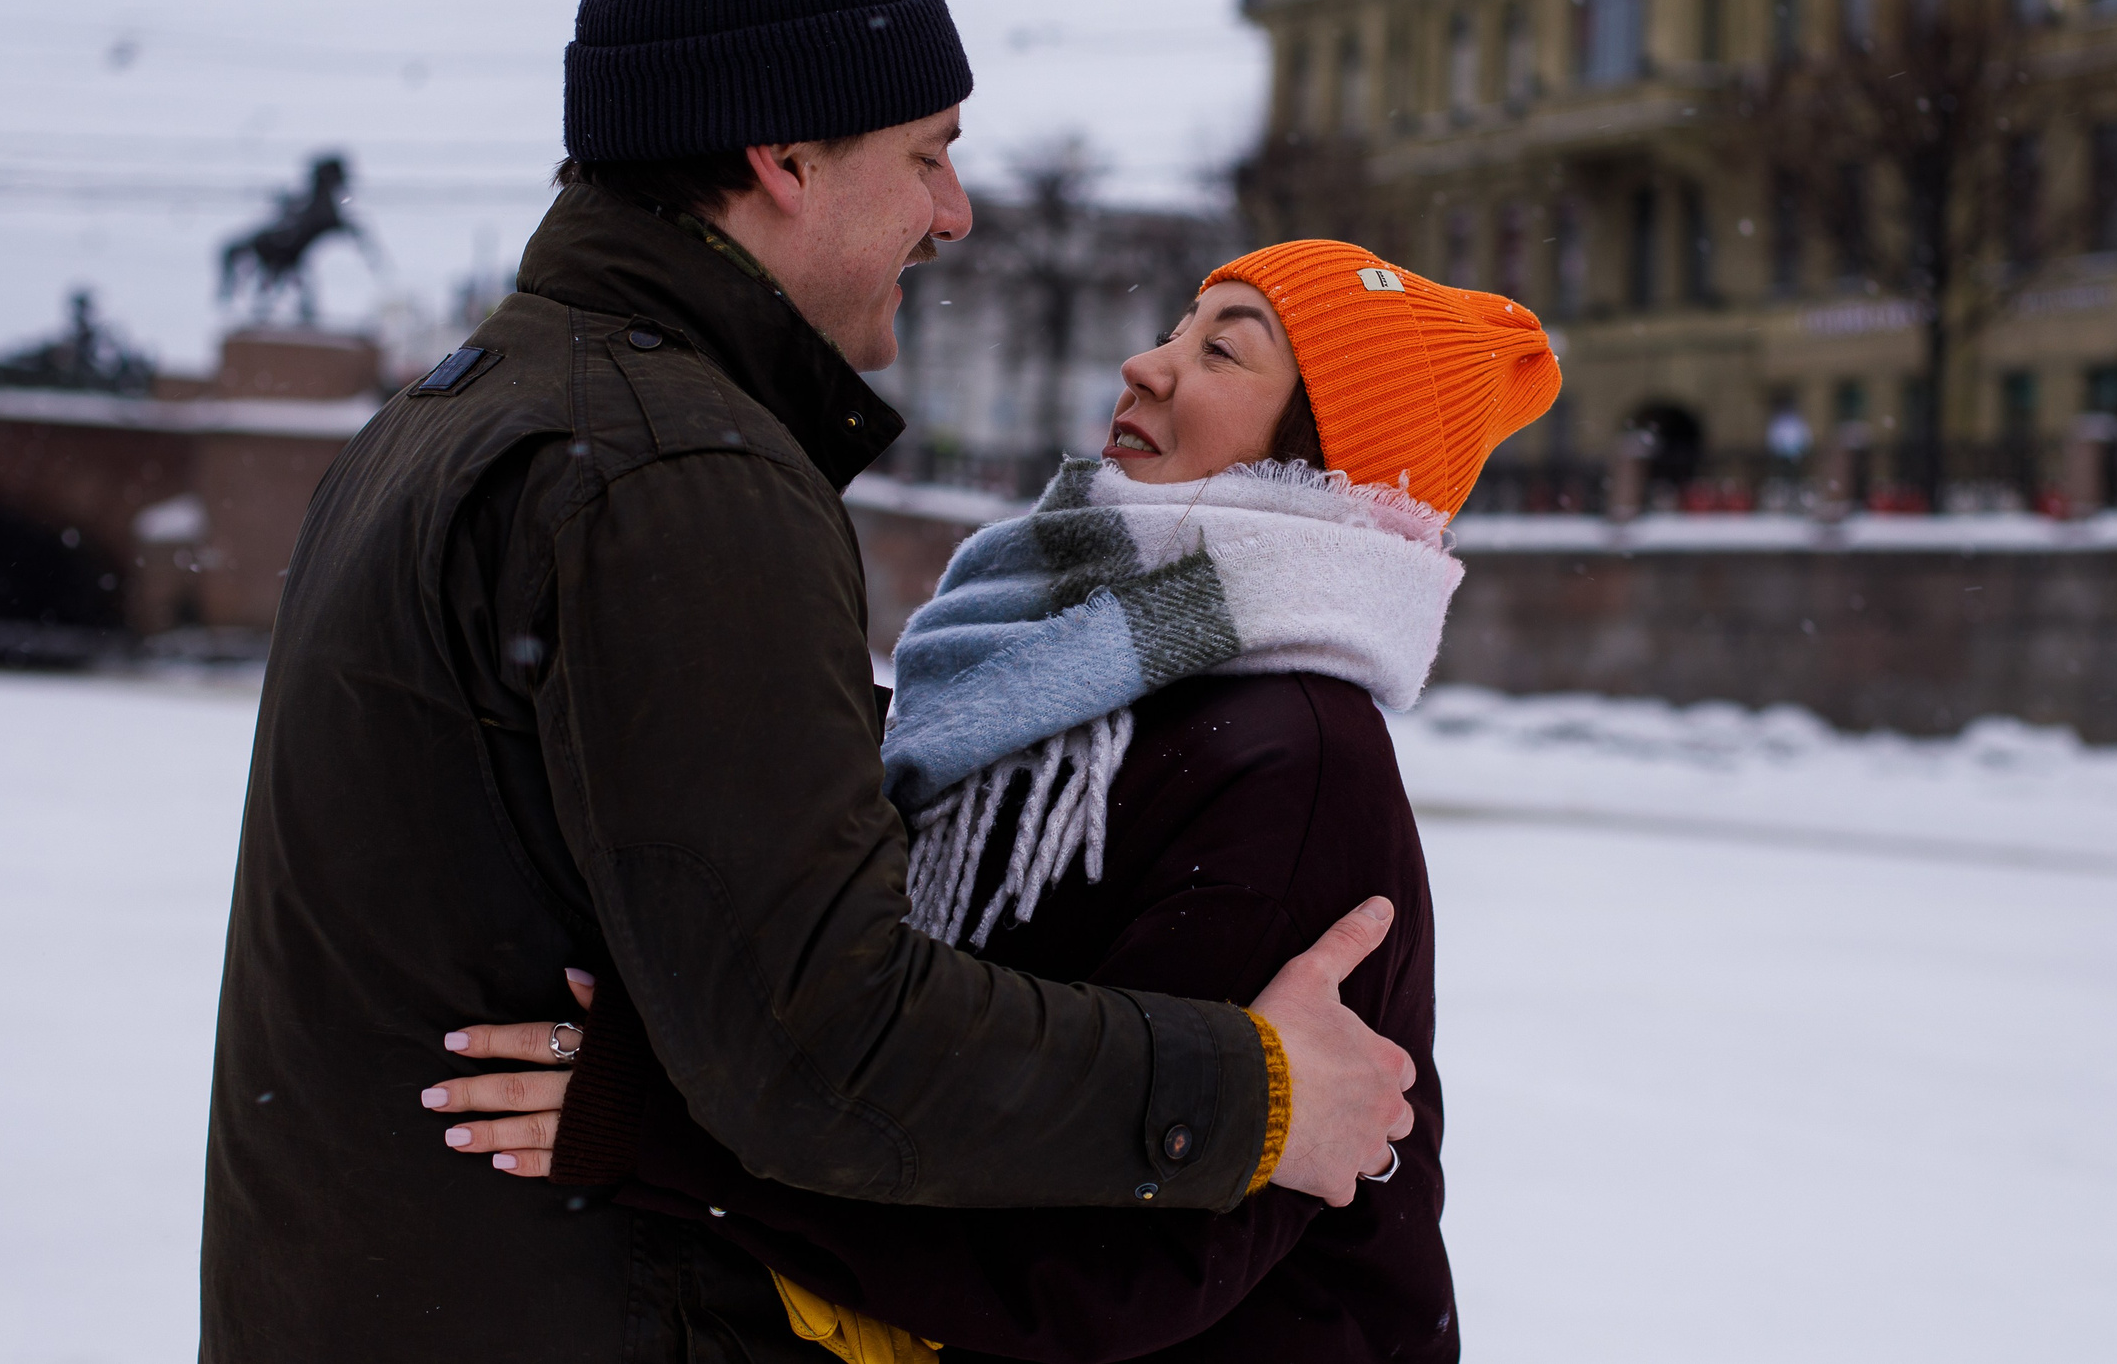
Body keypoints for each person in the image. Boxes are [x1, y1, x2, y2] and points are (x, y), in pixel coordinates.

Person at [199, 0, 1415, 1361]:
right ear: (783, 160)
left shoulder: (462, 412)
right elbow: (823, 1041)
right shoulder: (673, 474)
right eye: (928, 154)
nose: (954, 213)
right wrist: (1253, 1091)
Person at [441, 241, 1562, 1361]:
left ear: (1330, 461)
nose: (1145, 365)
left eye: (1222, 351)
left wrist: (665, 1128)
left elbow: (1109, 1263)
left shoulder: (1292, 758)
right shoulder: (1038, 687)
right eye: (1173, 328)